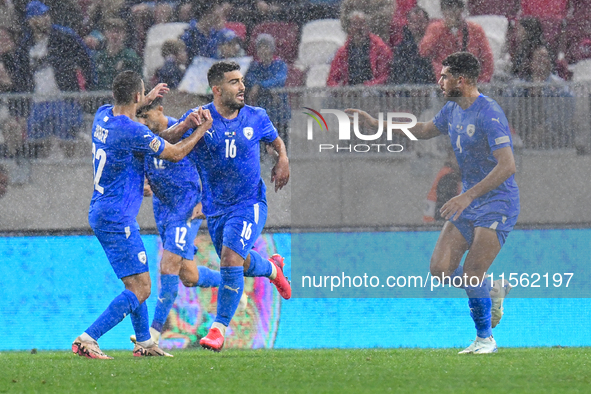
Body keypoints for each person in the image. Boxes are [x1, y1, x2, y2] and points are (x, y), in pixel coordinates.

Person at [347, 52, 520, 354]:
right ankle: (492, 290)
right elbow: (424, 129)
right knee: (440, 269)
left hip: (498, 203)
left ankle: (485, 339)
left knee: (471, 273)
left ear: (461, 80)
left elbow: (507, 166)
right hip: (470, 202)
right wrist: (377, 124)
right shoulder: (452, 109)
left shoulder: (489, 113)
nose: (439, 81)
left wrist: (467, 195)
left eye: (444, 76)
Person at [72, 71, 212, 359]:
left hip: (102, 210)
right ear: (137, 97)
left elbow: (134, 118)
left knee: (135, 283)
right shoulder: (133, 131)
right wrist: (199, 130)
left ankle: (145, 343)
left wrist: (144, 98)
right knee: (142, 288)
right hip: (117, 216)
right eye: (143, 95)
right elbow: (173, 153)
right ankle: (88, 338)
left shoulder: (102, 116)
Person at [172, 61, 291, 351]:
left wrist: (283, 159)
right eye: (234, 82)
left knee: (228, 258)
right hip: (215, 208)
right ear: (216, 89)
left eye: (242, 81)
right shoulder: (199, 118)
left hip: (249, 203)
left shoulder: (256, 117)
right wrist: (187, 125)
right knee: (239, 261)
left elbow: (277, 142)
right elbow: (165, 144)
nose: (242, 87)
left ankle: (218, 328)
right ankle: (273, 270)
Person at [132, 97, 246, 345]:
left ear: (160, 109)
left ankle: (152, 333)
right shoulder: (144, 136)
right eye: (138, 117)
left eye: (146, 116)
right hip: (163, 209)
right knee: (189, 276)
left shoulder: (182, 129)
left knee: (168, 265)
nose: (142, 121)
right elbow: (147, 165)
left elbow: (215, 164)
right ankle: (232, 286)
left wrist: (207, 200)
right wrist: (146, 182)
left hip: (186, 207)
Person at [419, 0, 494, 83]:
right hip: (445, 83)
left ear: (461, 9)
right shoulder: (435, 29)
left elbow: (487, 57)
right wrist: (442, 29)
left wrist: (483, 80)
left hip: (471, 82)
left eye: (454, 8)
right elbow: (424, 51)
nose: (451, 13)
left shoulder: (475, 29)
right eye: (447, 9)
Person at [245, 34, 290, 153]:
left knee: (281, 148)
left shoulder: (280, 65)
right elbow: (249, 78)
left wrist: (260, 86)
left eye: (266, 47)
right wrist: (260, 85)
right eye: (260, 47)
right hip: (262, 115)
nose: (263, 51)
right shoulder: (255, 66)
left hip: (279, 114)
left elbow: (279, 80)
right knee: (263, 150)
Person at [327, 10, 392, 87]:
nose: (358, 27)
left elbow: (386, 75)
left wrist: (369, 85)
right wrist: (338, 87)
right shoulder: (342, 52)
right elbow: (332, 79)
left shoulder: (380, 48)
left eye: (361, 23)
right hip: (349, 91)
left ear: (367, 26)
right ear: (349, 28)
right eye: (354, 24)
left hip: (373, 91)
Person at [93, 18, 143, 91]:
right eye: (111, 31)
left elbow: (139, 81)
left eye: (118, 32)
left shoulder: (131, 56)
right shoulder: (99, 57)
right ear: (105, 34)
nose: (114, 35)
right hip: (101, 99)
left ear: (124, 34)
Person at [389, 6, 434, 86]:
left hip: (432, 87)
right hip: (408, 91)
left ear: (428, 22)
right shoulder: (402, 48)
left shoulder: (435, 44)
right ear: (408, 24)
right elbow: (398, 72)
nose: (418, 25)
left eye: (421, 21)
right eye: (414, 22)